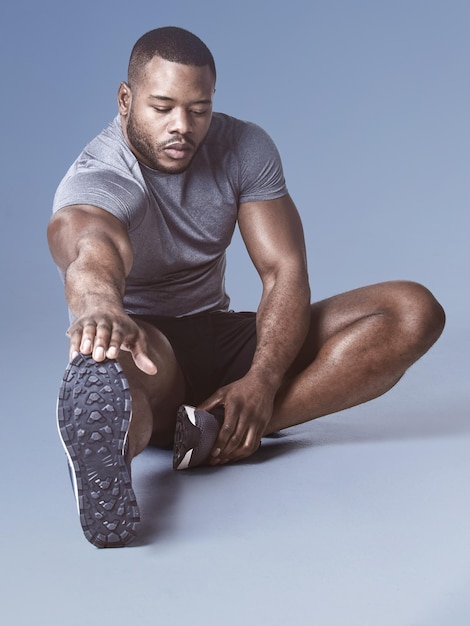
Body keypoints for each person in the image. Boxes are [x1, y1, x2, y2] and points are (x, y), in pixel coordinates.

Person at [47, 26, 445, 548]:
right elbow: (90, 251)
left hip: (225, 335)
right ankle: (111, 460)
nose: (182, 127)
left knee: (413, 311)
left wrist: (262, 379)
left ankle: (221, 426)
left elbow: (284, 270)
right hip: (150, 346)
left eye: (198, 109)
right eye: (162, 107)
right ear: (126, 100)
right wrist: (100, 307)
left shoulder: (243, 147)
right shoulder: (99, 176)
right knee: (117, 373)